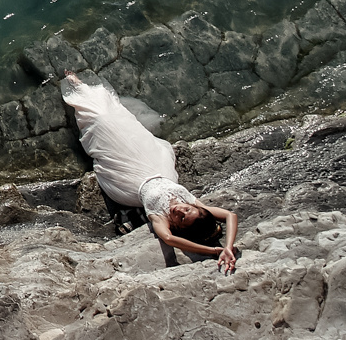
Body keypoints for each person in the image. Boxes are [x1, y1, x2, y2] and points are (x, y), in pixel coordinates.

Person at [61, 72, 238, 271]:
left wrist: (214, 252)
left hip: (129, 182)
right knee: (123, 124)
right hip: (155, 165)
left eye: (180, 218)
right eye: (187, 211)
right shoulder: (192, 202)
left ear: (178, 226)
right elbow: (230, 215)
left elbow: (170, 240)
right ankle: (87, 90)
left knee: (102, 123)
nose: (180, 211)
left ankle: (80, 92)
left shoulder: (160, 218)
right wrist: (228, 247)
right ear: (197, 209)